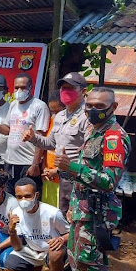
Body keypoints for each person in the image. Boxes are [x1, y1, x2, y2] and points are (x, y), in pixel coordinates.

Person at [54, 87, 131, 271]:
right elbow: (87, 171)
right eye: (90, 105)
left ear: (113, 108)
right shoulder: (93, 130)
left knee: (91, 261)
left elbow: (109, 180)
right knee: (77, 257)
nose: (93, 110)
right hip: (83, 206)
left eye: (100, 106)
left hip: (98, 211)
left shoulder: (113, 138)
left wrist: (74, 168)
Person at [23, 72, 89, 215]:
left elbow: (90, 155)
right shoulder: (59, 116)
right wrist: (33, 138)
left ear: (83, 91)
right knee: (62, 215)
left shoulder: (87, 117)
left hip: (79, 179)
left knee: (77, 217)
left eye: (70, 88)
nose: (65, 91)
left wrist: (65, 168)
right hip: (63, 178)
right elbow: (50, 143)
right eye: (63, 88)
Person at [0, 177, 70, 271]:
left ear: (36, 195)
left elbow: (71, 233)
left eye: (27, 196)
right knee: (9, 266)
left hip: (50, 251)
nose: (23, 200)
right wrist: (12, 230)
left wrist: (61, 239)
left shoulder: (52, 213)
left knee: (56, 254)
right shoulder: (16, 213)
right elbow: (17, 247)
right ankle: (37, 269)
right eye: (19, 197)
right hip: (32, 250)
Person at [0, 72, 49, 192]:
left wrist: (35, 164)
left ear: (30, 88)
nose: (19, 90)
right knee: (11, 199)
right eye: (16, 87)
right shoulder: (13, 105)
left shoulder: (39, 106)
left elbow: (41, 137)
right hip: (10, 162)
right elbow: (8, 130)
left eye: (23, 87)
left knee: (27, 200)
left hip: (27, 164)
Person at [39, 91, 66, 208]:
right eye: (52, 111)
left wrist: (56, 171)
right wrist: (44, 166)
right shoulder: (50, 121)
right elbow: (46, 146)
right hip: (47, 175)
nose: (54, 115)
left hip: (62, 178)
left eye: (57, 111)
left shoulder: (69, 125)